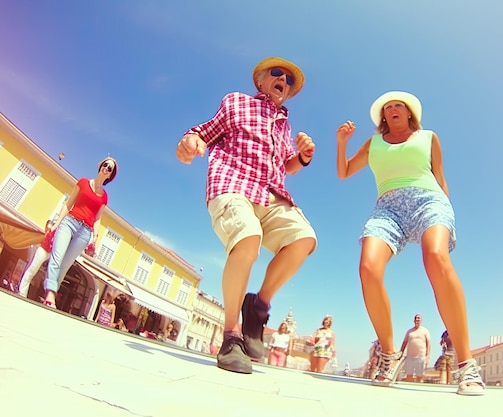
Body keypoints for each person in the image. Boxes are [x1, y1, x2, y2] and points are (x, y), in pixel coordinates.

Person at [335, 91, 485, 395]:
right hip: (387, 208)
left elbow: (440, 177)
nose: (392, 110)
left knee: (436, 258)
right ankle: (389, 356)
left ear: (409, 113)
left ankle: (466, 365)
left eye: (397, 106)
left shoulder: (428, 137)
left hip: (429, 201)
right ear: (383, 117)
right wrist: (342, 144)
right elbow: (345, 172)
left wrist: (447, 211)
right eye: (387, 107)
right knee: (368, 268)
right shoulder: (374, 143)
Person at [175, 57, 317, 374]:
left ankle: (258, 306)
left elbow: (284, 167)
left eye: (289, 80)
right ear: (261, 82)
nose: (283, 79)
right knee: (248, 238)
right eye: (276, 74)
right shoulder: (236, 103)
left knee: (304, 239)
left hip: (270, 195)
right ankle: (231, 335)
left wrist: (302, 158)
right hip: (233, 184)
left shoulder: (284, 124)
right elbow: (204, 132)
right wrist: (190, 141)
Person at [43, 158, 117, 308]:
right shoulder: (83, 182)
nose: (106, 168)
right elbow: (68, 204)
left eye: (110, 168)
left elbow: (97, 218)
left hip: (85, 232)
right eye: (105, 165)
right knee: (57, 257)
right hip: (69, 222)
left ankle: (51, 295)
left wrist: (94, 238)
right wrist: (56, 224)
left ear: (110, 175)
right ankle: (50, 293)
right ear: (100, 166)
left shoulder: (104, 197)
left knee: (65, 265)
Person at [18, 220, 54, 298]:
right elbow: (49, 226)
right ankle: (22, 293)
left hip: (48, 252)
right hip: (44, 250)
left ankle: (22, 292)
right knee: (32, 270)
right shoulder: (52, 229)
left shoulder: (57, 231)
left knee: (33, 271)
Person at [399, 314, 430, 382]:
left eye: (419, 318)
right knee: (409, 375)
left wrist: (428, 355)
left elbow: (428, 343)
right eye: (416, 318)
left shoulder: (425, 331)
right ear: (414, 320)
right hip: (410, 357)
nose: (417, 320)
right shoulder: (409, 331)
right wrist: (400, 352)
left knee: (420, 376)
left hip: (420, 357)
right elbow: (404, 342)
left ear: (421, 320)